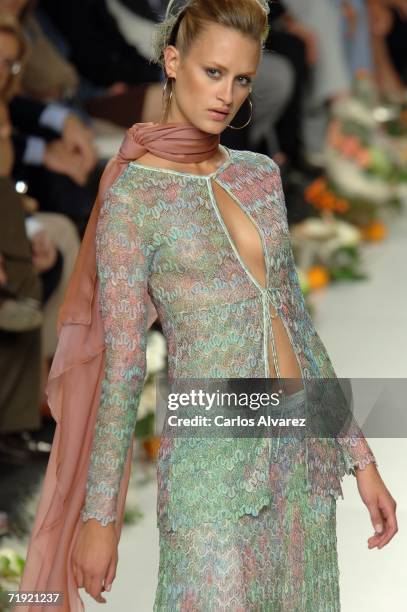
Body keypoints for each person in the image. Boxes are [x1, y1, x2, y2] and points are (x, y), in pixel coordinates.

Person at [19, 1, 398, 610]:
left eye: (242, 79)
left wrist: (361, 458)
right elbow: (121, 368)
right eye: (212, 72)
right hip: (209, 464)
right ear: (173, 61)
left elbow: (295, 323)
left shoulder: (258, 175)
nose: (227, 95)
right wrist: (100, 516)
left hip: (298, 452)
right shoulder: (134, 202)